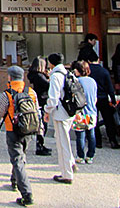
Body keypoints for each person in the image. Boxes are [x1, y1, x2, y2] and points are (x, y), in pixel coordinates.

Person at [0, 65, 38, 206]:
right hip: (28, 128)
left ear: (10, 77)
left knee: (17, 159)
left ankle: (27, 193)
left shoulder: (8, 93)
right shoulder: (31, 92)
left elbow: (0, 110)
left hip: (13, 129)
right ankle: (15, 181)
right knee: (21, 155)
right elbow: (36, 110)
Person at [44, 52, 75, 184]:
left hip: (61, 113)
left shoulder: (56, 76)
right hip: (70, 111)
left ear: (51, 63)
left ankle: (66, 173)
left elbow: (53, 99)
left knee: (63, 144)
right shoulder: (69, 73)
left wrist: (47, 110)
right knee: (64, 139)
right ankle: (71, 163)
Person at [85, 50, 120, 149]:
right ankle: (112, 140)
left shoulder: (88, 72)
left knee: (94, 120)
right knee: (108, 120)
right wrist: (113, 100)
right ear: (98, 60)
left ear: (88, 61)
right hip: (103, 97)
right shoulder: (104, 71)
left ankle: (98, 141)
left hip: (92, 98)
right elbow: (110, 87)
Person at [72, 61, 97, 164]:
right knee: (91, 135)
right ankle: (90, 156)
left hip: (80, 112)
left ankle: (80, 156)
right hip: (92, 111)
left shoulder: (77, 81)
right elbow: (95, 98)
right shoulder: (92, 81)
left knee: (80, 136)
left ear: (77, 71)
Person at [27, 57, 52, 156]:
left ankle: (40, 144)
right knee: (42, 125)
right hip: (42, 100)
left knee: (41, 124)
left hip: (39, 99)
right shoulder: (39, 76)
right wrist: (49, 77)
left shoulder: (34, 75)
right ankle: (40, 145)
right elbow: (48, 85)